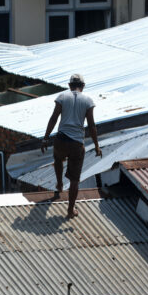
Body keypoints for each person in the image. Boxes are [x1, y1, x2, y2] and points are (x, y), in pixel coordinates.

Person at [42, 73, 102, 219]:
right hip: (76, 144)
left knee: (58, 159)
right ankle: (70, 210)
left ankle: (59, 184)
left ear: (69, 86)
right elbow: (92, 126)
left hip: (61, 139)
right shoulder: (88, 101)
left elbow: (54, 118)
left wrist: (45, 138)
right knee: (75, 180)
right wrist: (96, 145)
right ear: (83, 86)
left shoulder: (62, 97)